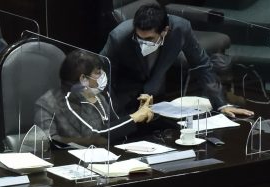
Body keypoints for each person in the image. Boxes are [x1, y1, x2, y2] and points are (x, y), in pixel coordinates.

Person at [100, 5, 253, 119]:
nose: (142, 43)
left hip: (157, 100)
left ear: (165, 31)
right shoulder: (119, 36)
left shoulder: (181, 28)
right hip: (123, 99)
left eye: (148, 39)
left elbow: (201, 64)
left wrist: (221, 104)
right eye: (138, 38)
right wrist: (113, 116)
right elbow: (101, 73)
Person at [34, 49, 155, 146]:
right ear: (83, 79)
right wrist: (133, 118)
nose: (103, 76)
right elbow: (95, 137)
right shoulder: (50, 103)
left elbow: (117, 129)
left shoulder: (99, 94)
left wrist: (141, 114)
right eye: (98, 72)